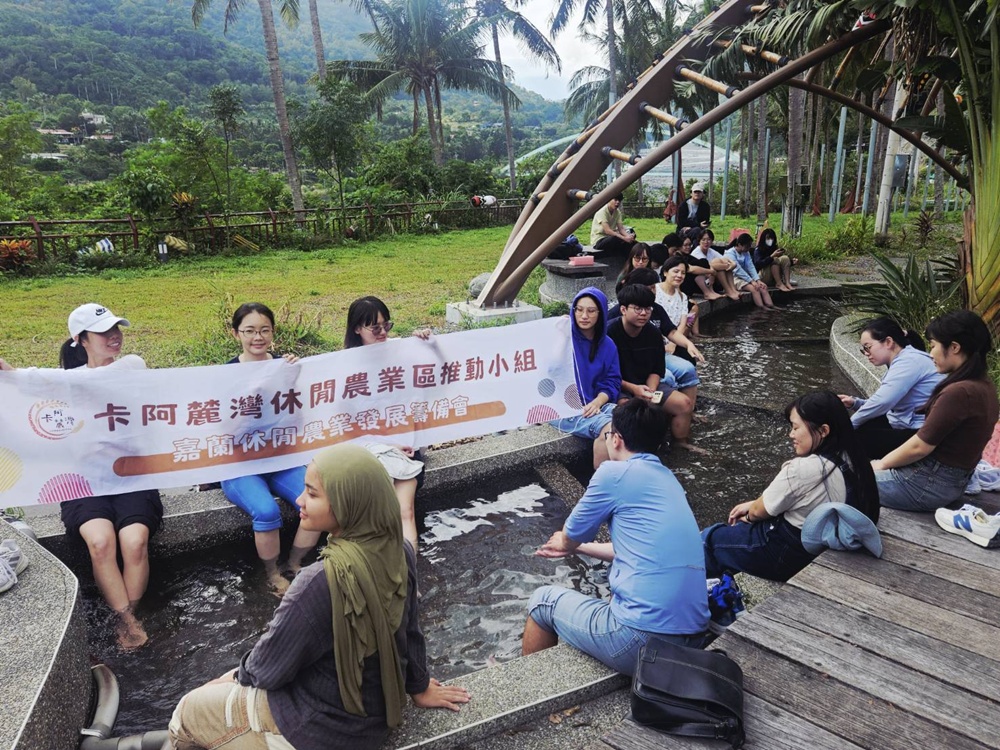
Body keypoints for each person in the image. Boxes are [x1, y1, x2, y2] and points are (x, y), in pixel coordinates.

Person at [168, 445, 470, 750]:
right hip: (373, 720)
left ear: (346, 503)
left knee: (186, 711)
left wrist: (234, 675)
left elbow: (268, 671)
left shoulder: (318, 581)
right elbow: (410, 630)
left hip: (315, 729)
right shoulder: (399, 551)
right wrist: (418, 687)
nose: (299, 500)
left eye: (312, 494)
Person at [524, 399, 709, 674]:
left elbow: (571, 532)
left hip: (640, 641)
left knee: (542, 601)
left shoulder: (614, 472)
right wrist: (581, 548)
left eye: (608, 434)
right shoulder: (667, 478)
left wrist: (565, 543)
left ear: (617, 440)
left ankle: (529, 684)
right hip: (693, 636)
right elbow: (634, 549)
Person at [60, 303, 163, 649]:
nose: (114, 336)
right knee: (101, 541)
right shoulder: (64, 384)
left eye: (116, 328)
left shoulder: (133, 365)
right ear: (81, 340)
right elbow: (27, 391)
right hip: (85, 481)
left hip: (132, 475)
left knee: (134, 542)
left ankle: (130, 615)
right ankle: (128, 621)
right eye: (103, 332)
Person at [702, 391, 879, 582]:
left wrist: (747, 514)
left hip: (787, 553)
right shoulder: (853, 456)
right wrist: (754, 503)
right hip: (825, 540)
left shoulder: (803, 468)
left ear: (823, 431)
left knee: (711, 538)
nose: (791, 434)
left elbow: (758, 512)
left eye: (795, 428)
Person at [222, 302, 320, 595]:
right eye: (249, 331)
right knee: (265, 511)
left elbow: (299, 419)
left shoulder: (285, 367)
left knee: (317, 500)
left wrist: (291, 382)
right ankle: (272, 572)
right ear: (235, 334)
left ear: (273, 332)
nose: (258, 337)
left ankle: (295, 562)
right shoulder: (223, 375)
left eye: (264, 330)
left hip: (281, 457)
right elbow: (223, 431)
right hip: (240, 464)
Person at [872, 310, 999, 511]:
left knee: (842, 477)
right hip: (948, 483)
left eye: (933, 346)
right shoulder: (984, 385)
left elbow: (919, 447)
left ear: (954, 347)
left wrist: (880, 465)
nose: (930, 354)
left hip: (924, 486)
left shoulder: (959, 392)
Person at [344, 295, 430, 549]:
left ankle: (409, 574)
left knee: (405, 511)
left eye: (387, 326)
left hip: (405, 446)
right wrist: (384, 446)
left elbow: (443, 370)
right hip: (369, 449)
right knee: (383, 509)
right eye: (375, 328)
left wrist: (429, 343)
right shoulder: (343, 367)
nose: (383, 333)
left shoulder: (403, 352)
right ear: (357, 329)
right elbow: (344, 425)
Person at [607, 284, 700, 451]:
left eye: (647, 309)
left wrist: (650, 391)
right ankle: (632, 452)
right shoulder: (609, 333)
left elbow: (657, 370)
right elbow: (604, 373)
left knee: (685, 403)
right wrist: (634, 389)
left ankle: (680, 443)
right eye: (637, 308)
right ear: (623, 309)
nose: (643, 313)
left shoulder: (653, 334)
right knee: (629, 411)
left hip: (646, 384)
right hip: (618, 385)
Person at [838, 317, 943, 460]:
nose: (866, 354)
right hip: (908, 422)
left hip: (923, 433)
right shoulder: (904, 359)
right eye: (863, 350)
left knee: (855, 438)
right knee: (863, 425)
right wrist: (856, 403)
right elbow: (888, 403)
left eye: (868, 347)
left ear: (888, 342)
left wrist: (848, 426)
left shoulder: (909, 362)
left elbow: (882, 402)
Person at [552, 288, 621, 470]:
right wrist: (561, 338)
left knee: (627, 419)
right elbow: (551, 369)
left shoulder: (608, 344)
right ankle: (601, 487)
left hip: (593, 403)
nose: (584, 316)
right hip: (562, 408)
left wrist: (598, 402)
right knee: (608, 427)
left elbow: (612, 381)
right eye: (579, 309)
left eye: (591, 311)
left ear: (601, 313)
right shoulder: (562, 338)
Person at [723, 233, 778, 309]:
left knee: (762, 287)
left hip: (746, 277)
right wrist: (752, 281)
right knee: (754, 289)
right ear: (739, 245)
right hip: (733, 278)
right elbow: (738, 270)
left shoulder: (746, 252)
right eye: (747, 246)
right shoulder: (730, 253)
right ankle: (762, 307)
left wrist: (758, 280)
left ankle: (771, 305)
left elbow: (751, 266)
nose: (749, 248)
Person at [657, 255, 701, 339]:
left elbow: (682, 325)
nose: (679, 275)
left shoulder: (682, 297)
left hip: (675, 340)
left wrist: (673, 344)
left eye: (683, 273)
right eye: (676, 271)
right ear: (665, 272)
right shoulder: (654, 290)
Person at [692, 229, 740, 301]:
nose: (706, 242)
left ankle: (733, 290)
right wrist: (727, 266)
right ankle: (728, 291)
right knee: (719, 264)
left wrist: (733, 263)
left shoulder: (710, 251)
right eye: (703, 240)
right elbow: (707, 266)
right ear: (699, 241)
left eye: (708, 240)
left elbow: (724, 258)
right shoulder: (696, 253)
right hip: (703, 282)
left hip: (712, 279)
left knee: (721, 263)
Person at [676, 232, 722, 301]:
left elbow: (706, 263)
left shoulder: (688, 256)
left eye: (689, 245)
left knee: (703, 261)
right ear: (679, 246)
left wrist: (711, 272)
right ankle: (707, 293)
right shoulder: (677, 257)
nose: (688, 247)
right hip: (683, 285)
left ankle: (711, 291)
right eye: (685, 245)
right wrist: (711, 271)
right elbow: (691, 269)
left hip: (695, 284)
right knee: (697, 270)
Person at [753, 227, 795, 292]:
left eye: (772, 238)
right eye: (768, 238)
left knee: (785, 258)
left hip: (774, 275)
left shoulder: (774, 248)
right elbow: (758, 264)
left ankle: (787, 282)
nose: (770, 240)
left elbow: (780, 262)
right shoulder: (758, 250)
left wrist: (792, 262)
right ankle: (779, 284)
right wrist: (772, 256)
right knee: (774, 259)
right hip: (763, 276)